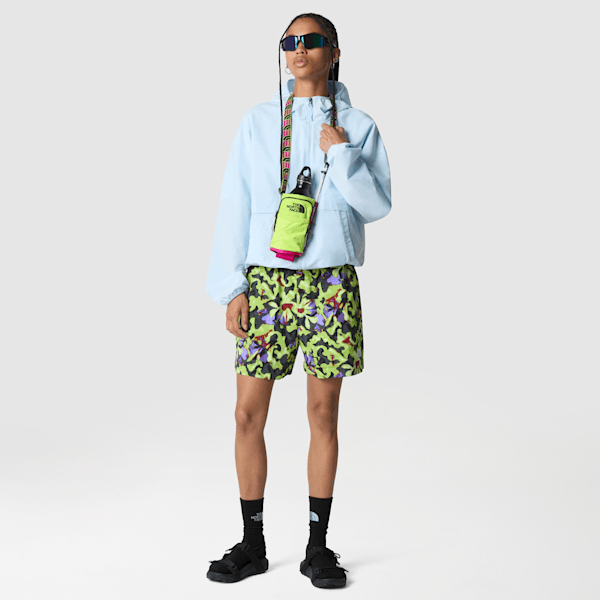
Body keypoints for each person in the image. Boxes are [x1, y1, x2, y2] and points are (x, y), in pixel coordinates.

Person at [205, 13, 391, 588]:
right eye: (289, 41)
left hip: (329, 282)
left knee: (322, 414)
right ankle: (252, 542)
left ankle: (318, 546)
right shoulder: (259, 122)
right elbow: (234, 201)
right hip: (267, 282)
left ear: (334, 52)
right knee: (246, 413)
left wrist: (341, 154)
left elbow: (376, 205)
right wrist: (232, 286)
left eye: (311, 41)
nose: (298, 49)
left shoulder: (358, 126)